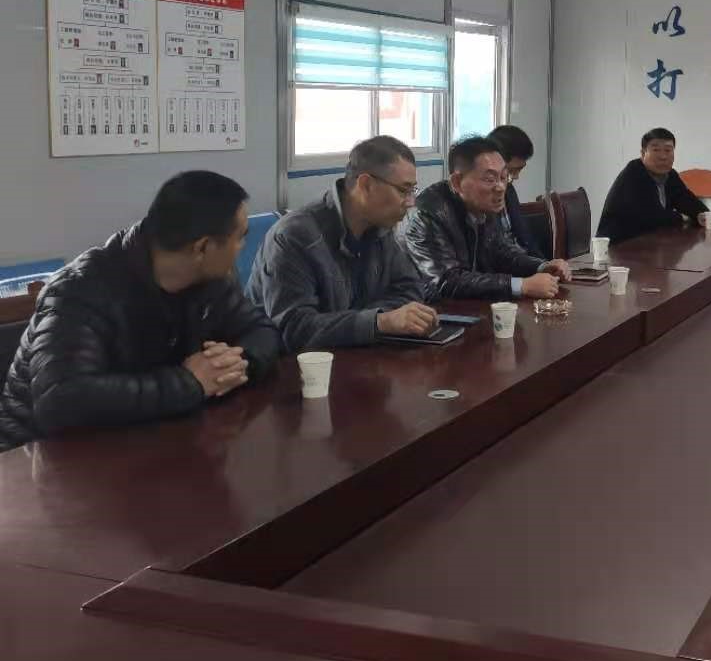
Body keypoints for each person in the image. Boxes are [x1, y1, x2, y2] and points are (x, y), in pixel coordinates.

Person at [0, 171, 281, 449]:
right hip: (35, 457)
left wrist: (236, 363)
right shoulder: (79, 291)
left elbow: (261, 330)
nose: (243, 247)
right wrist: (190, 382)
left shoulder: (210, 280)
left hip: (143, 438)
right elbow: (61, 401)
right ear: (203, 247)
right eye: (240, 238)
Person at [248, 136, 436, 351]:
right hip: (291, 364)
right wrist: (378, 322)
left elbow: (410, 288)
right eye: (403, 191)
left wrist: (374, 321)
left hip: (355, 353)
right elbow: (296, 328)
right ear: (366, 185)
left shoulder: (381, 227)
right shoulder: (295, 236)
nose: (411, 202)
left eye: (413, 191)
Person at [404, 135, 571, 301]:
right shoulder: (428, 214)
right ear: (457, 182)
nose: (500, 187)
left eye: (504, 177)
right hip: (429, 311)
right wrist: (521, 285)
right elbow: (445, 282)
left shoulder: (484, 205)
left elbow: (503, 253)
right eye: (490, 179)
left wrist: (542, 266)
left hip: (472, 307)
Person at [596, 127, 708, 244]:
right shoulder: (634, 173)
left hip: (649, 244)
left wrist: (700, 214)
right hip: (617, 246)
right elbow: (653, 218)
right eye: (656, 150)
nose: (663, 156)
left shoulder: (670, 175)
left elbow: (687, 200)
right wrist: (684, 218)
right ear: (643, 153)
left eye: (668, 150)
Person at [487, 123, 546, 257]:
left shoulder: (509, 191)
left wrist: (544, 265)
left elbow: (526, 239)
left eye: (520, 169)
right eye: (512, 170)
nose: (515, 177)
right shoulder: (480, 199)